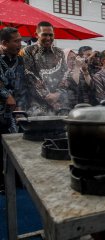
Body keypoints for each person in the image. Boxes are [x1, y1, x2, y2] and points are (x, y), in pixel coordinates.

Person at [0, 27, 27, 190]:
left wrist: (21, 105)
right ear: (4, 43)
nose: (20, 44)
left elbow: (21, 85)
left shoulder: (20, 60)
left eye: (20, 40)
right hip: (1, 110)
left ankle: (17, 180)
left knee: (16, 145)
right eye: (16, 41)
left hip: (15, 110)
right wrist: (5, 95)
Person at [23, 21, 68, 116]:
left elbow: (65, 73)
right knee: (39, 127)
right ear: (36, 35)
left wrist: (58, 94)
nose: (48, 38)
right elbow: (29, 74)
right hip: (36, 103)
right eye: (44, 35)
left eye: (51, 35)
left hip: (58, 102)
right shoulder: (29, 51)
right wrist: (46, 95)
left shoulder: (59, 52)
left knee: (60, 128)